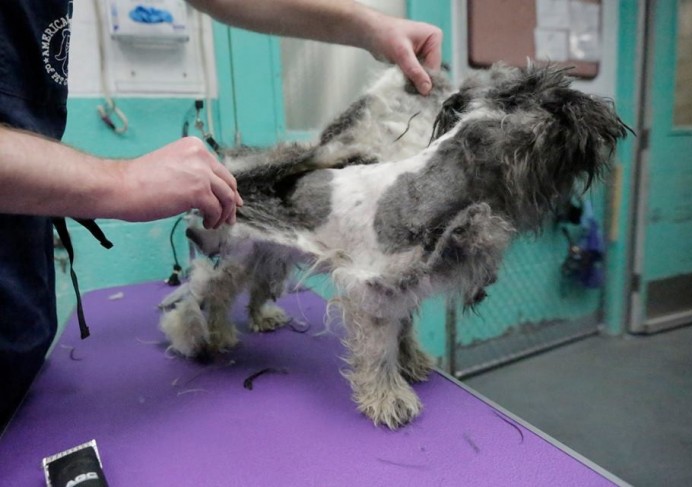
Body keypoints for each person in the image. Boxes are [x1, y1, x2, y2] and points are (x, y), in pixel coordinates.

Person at [0, 1, 442, 429]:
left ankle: (251, 310)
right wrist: (120, 181)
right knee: (241, 260)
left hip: (21, 303)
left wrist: (367, 25)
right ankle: (215, 315)